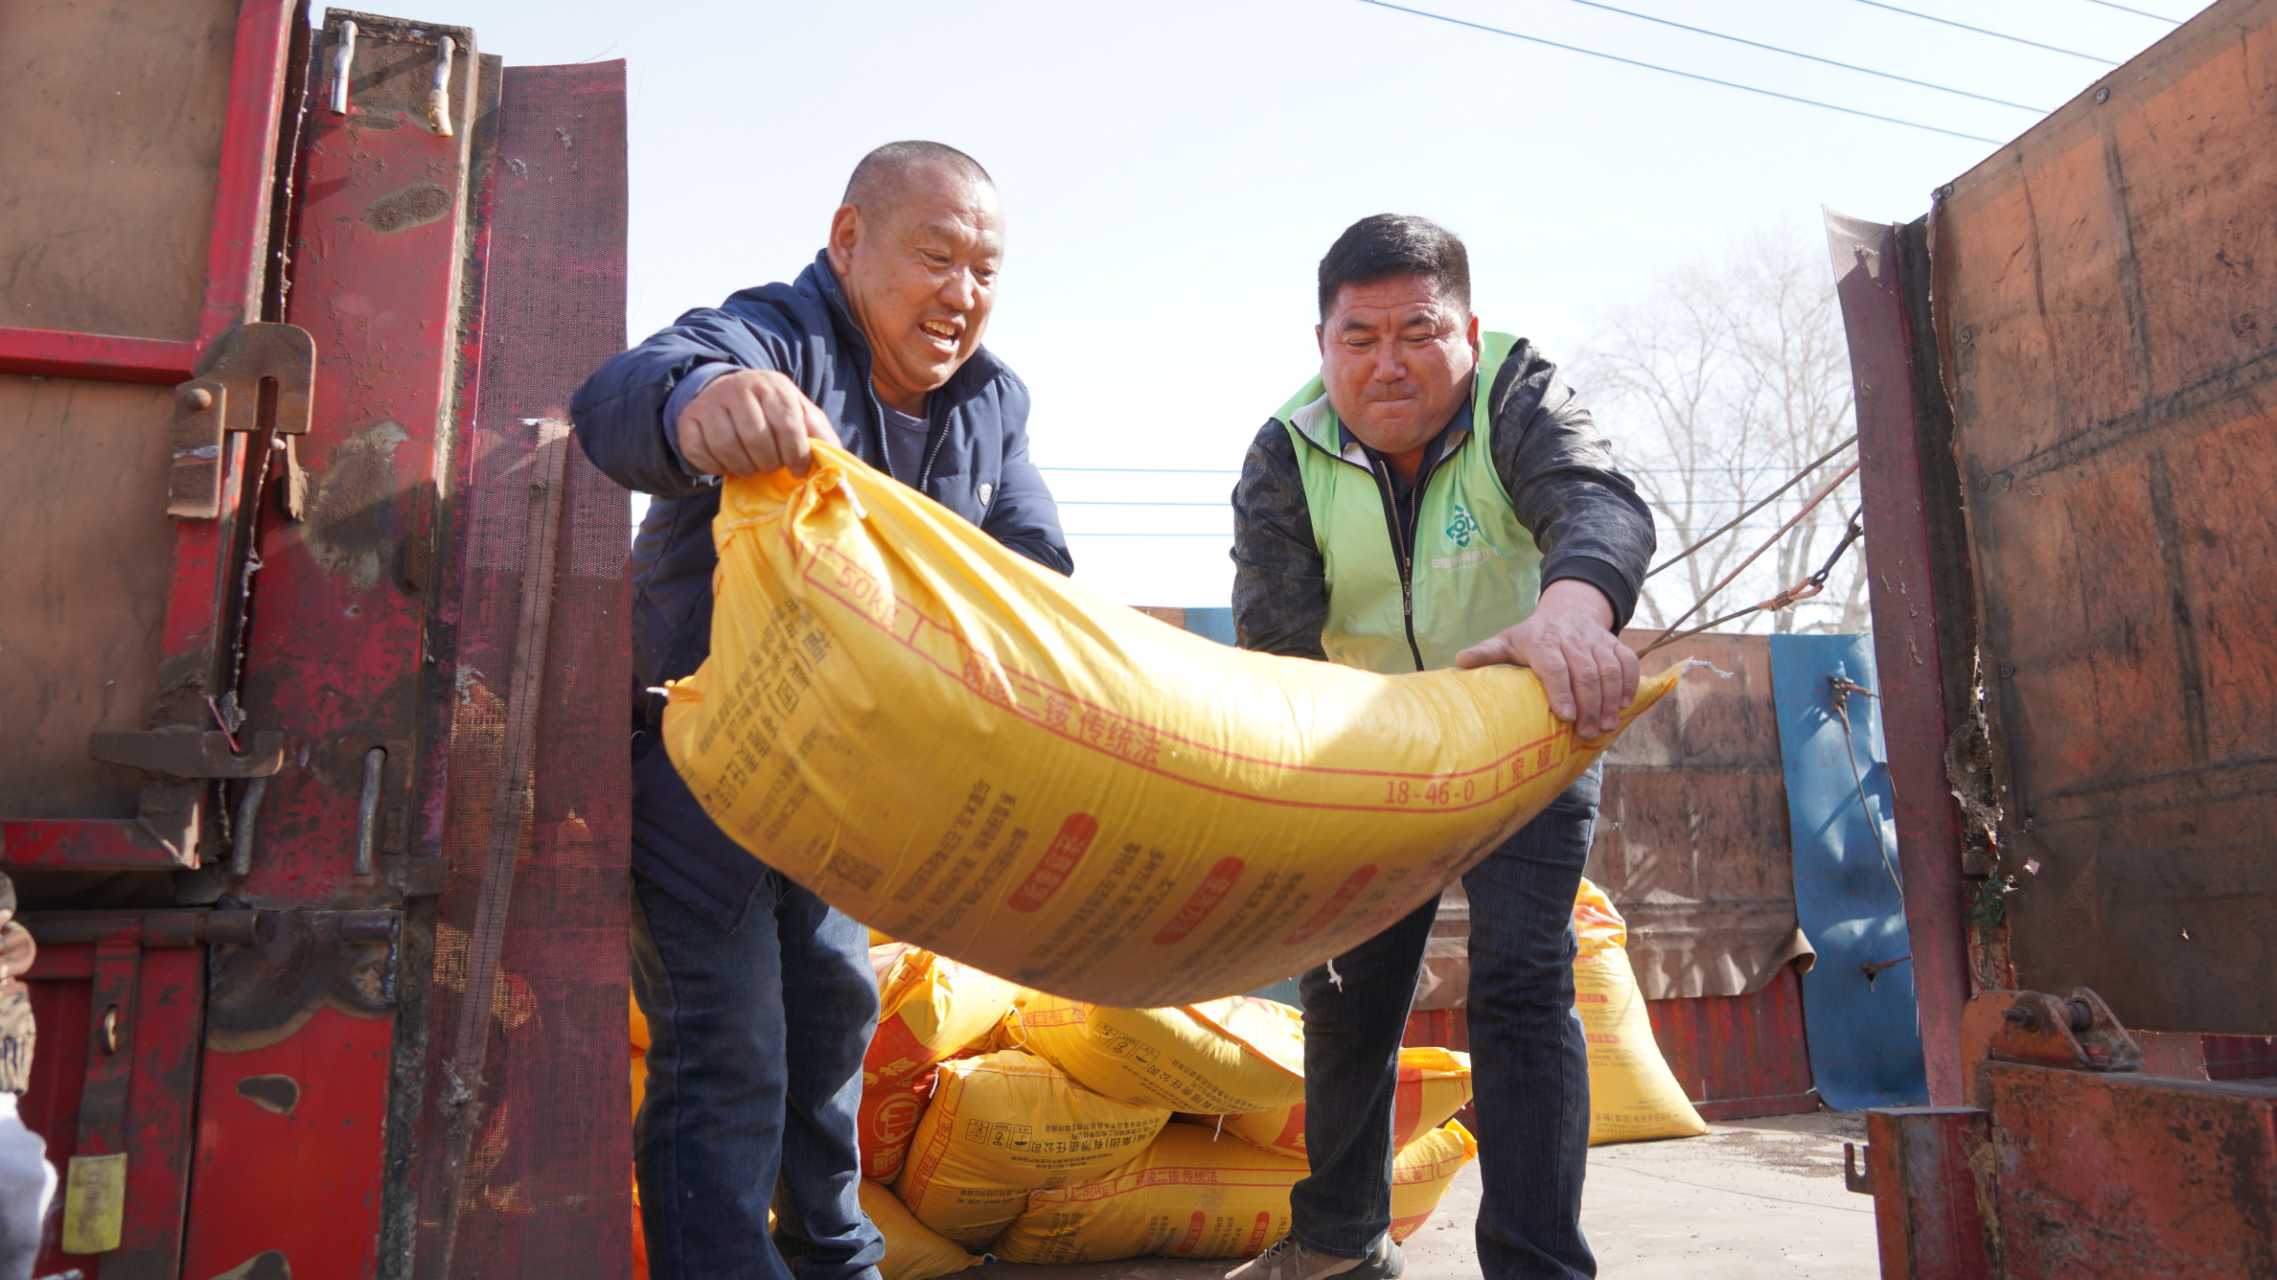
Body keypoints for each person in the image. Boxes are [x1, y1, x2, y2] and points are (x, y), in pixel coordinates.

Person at [570, 141, 1071, 1280]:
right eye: (935, 256)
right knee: (729, 1046)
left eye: (985, 270)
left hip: (844, 792)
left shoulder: (992, 403)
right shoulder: (774, 339)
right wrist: (703, 401)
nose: (960, 294)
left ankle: (835, 1255)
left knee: (834, 1019)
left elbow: (1034, 564)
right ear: (849, 241)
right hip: (702, 776)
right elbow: (624, 392)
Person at [1226, 214, 1655, 1280]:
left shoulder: (1521, 396)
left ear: (1465, 330)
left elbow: (1595, 502)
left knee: (1522, 981)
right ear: (1322, 343)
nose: (1388, 364)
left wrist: (1571, 616)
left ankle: (1536, 1261)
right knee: (1346, 984)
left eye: (1418, 332)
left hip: (1529, 723)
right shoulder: (1286, 450)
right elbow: (1278, 645)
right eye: (1358, 338)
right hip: (1365, 747)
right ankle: (1340, 1240)